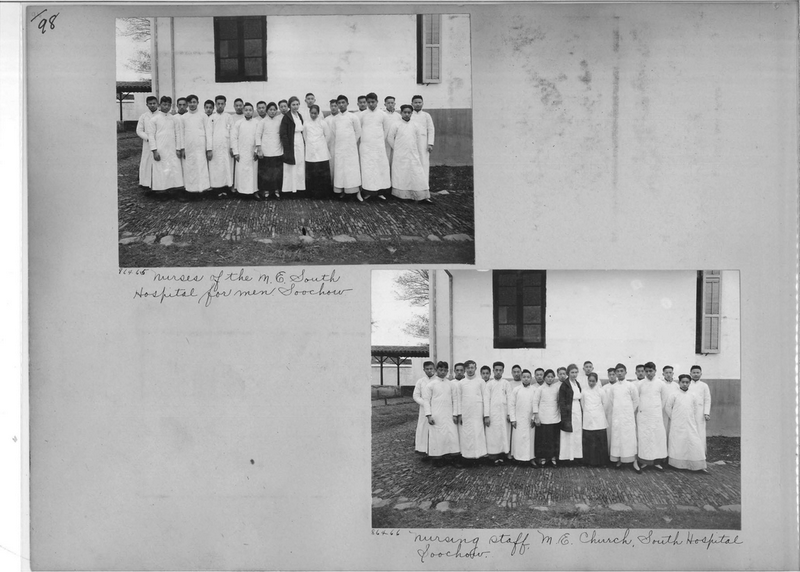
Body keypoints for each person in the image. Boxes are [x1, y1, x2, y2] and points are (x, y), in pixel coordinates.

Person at [386, 105, 431, 203]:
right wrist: (397, 149)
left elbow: (419, 139)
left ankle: (420, 195)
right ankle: (401, 195)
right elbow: (390, 138)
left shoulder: (415, 125)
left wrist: (417, 151)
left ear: (411, 113)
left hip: (413, 153)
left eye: (409, 112)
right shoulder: (396, 124)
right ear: (401, 113)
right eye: (404, 112)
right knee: (401, 173)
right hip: (400, 154)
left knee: (416, 172)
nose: (407, 114)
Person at [665, 374, 708, 472]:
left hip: (690, 422)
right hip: (677, 424)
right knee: (678, 442)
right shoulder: (674, 395)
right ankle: (677, 464)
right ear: (679, 382)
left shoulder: (693, 395)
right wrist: (674, 418)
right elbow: (668, 407)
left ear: (689, 383)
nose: (684, 384)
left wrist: (691, 418)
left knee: (693, 441)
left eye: (687, 382)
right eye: (682, 382)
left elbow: (696, 408)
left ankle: (697, 464)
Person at [422, 361, 461, 467]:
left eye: (445, 370)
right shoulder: (431, 385)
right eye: (440, 370)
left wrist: (455, 414)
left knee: (451, 436)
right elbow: (426, 401)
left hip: (449, 415)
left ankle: (453, 459)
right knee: (437, 436)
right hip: (436, 415)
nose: (443, 372)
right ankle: (438, 459)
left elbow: (455, 400)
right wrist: (429, 415)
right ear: (436, 370)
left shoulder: (451, 385)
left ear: (448, 371)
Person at [146, 96, 184, 197]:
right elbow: (151, 136)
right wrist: (154, 151)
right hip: (160, 149)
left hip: (172, 149)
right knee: (161, 169)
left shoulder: (174, 119)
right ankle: (162, 192)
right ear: (160, 105)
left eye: (168, 105)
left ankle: (175, 191)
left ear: (171, 106)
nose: (166, 107)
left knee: (174, 169)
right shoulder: (154, 119)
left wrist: (178, 148)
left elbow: (178, 134)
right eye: (164, 104)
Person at [608, 363, 641, 472]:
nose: (620, 373)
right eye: (618, 371)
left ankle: (634, 461)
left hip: (628, 417)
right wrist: (619, 412)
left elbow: (636, 400)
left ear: (626, 372)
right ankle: (620, 459)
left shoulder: (631, 386)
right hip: (617, 417)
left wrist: (629, 412)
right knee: (618, 438)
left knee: (629, 438)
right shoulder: (613, 387)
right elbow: (612, 401)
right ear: (615, 373)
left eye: (622, 371)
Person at [179, 94, 212, 199]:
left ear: (198, 103)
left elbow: (208, 133)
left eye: (194, 102)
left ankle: (202, 191)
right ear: (187, 104)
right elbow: (181, 134)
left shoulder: (203, 116)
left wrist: (209, 148)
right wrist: (182, 148)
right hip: (189, 148)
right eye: (190, 102)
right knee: (190, 169)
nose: (192, 104)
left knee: (201, 168)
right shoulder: (183, 117)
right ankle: (190, 192)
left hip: (200, 147)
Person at [636, 362, 668, 471]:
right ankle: (645, 461)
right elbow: (637, 398)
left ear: (655, 371)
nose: (649, 373)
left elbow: (664, 399)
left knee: (657, 437)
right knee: (645, 438)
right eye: (647, 371)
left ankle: (657, 462)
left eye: (651, 371)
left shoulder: (661, 384)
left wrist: (656, 410)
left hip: (656, 416)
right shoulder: (640, 384)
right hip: (644, 416)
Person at [359, 92, 391, 200]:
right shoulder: (362, 115)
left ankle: (380, 191)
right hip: (366, 147)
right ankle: (368, 191)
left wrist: (379, 140)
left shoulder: (383, 115)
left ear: (377, 102)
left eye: (373, 102)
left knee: (380, 167)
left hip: (378, 147)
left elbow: (386, 129)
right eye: (369, 102)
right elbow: (359, 129)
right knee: (368, 168)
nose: (371, 104)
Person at [330, 95, 362, 200]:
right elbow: (334, 132)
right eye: (339, 103)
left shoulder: (353, 117)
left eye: (343, 102)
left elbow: (358, 131)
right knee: (340, 168)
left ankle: (354, 191)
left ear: (347, 104)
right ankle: (342, 190)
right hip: (340, 147)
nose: (341, 105)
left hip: (350, 148)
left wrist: (352, 142)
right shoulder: (335, 119)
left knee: (351, 169)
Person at [457, 361, 488, 465]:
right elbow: (459, 399)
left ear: (475, 368)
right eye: (468, 368)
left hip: (477, 413)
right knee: (466, 435)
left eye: (472, 367)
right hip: (466, 413)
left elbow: (485, 398)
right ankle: (467, 458)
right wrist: (459, 414)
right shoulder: (461, 383)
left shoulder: (481, 382)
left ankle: (478, 457)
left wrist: (486, 414)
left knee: (477, 433)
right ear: (465, 369)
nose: (470, 370)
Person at [509, 369, 539, 465]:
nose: (526, 379)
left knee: (530, 438)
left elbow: (536, 404)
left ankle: (531, 458)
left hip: (530, 419)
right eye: (524, 377)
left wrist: (534, 418)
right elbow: (512, 405)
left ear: (531, 378)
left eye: (528, 377)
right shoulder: (516, 390)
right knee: (519, 438)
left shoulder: (534, 390)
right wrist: (513, 419)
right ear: (521, 378)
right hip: (519, 419)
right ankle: (518, 458)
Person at [255, 102, 284, 200]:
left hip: (277, 150)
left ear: (276, 111)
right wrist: (259, 148)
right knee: (266, 173)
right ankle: (266, 192)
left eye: (274, 110)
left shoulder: (279, 121)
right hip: (266, 151)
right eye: (270, 110)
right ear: (267, 111)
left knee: (276, 173)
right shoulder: (262, 122)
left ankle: (276, 191)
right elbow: (258, 135)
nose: (272, 111)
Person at [231, 102, 260, 199]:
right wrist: (236, 152)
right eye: (246, 110)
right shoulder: (239, 123)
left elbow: (259, 137)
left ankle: (254, 191)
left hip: (252, 151)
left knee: (253, 171)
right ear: (243, 111)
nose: (248, 112)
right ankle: (241, 191)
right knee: (242, 171)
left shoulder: (256, 123)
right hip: (241, 152)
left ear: (253, 111)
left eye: (250, 110)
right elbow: (234, 138)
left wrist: (256, 150)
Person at [304, 104, 332, 199]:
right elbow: (305, 136)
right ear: (309, 113)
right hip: (310, 151)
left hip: (321, 151)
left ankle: (324, 194)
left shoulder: (323, 123)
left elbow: (327, 135)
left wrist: (321, 145)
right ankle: (311, 194)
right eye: (311, 113)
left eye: (315, 113)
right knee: (312, 172)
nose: (313, 115)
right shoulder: (306, 123)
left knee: (322, 172)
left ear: (318, 113)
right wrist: (311, 144)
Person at [533, 369, 561, 467]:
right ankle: (543, 459)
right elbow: (535, 402)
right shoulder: (540, 389)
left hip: (554, 418)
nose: (550, 379)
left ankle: (553, 458)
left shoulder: (556, 388)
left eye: (552, 377)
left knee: (553, 439)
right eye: (548, 377)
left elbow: (558, 402)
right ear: (545, 378)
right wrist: (536, 416)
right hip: (543, 418)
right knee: (543, 439)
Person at [580, 372, 609, 466]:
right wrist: (588, 413)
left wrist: (599, 413)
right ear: (587, 380)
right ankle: (589, 462)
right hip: (588, 418)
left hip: (599, 419)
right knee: (589, 441)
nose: (591, 383)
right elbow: (582, 404)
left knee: (600, 441)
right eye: (590, 381)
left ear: (596, 381)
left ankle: (602, 462)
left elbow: (605, 404)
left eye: (593, 381)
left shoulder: (601, 391)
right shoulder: (584, 391)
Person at [279, 96, 306, 197]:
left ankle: (299, 189)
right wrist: (287, 146)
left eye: (297, 104)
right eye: (293, 104)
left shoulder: (299, 115)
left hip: (300, 141)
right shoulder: (287, 117)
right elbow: (283, 133)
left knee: (299, 164)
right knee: (291, 166)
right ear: (289, 105)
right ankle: (290, 189)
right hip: (291, 142)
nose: (295, 106)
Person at [484, 361, 509, 465]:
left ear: (503, 371)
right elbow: (486, 400)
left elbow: (510, 399)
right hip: (492, 413)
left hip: (503, 413)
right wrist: (486, 415)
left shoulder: (506, 383)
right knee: (493, 435)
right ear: (493, 371)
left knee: (503, 434)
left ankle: (502, 456)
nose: (498, 372)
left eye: (500, 370)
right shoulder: (489, 384)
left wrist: (509, 414)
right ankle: (493, 457)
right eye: (496, 370)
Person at [209, 95, 234, 198]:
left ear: (225, 104)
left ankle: (226, 189)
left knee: (226, 167)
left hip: (226, 146)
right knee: (216, 168)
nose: (220, 106)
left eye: (222, 104)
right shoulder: (211, 118)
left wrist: (232, 147)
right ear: (215, 104)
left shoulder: (228, 117)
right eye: (218, 104)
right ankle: (217, 190)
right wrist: (209, 149)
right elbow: (209, 134)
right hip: (215, 148)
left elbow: (232, 132)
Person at [558, 364, 583, 464]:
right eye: (572, 372)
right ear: (568, 373)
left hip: (577, 409)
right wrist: (564, 415)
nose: (574, 374)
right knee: (568, 434)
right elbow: (562, 401)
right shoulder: (565, 385)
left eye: (576, 372)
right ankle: (566, 457)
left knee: (577, 433)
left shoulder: (577, 383)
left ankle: (576, 456)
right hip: (569, 410)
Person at [412, 361, 436, 460]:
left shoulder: (438, 380)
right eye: (427, 369)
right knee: (424, 429)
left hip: (436, 409)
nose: (429, 371)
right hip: (424, 410)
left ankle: (436, 452)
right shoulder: (420, 381)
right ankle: (424, 451)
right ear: (424, 370)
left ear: (434, 369)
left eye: (431, 368)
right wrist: (425, 403)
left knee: (435, 429)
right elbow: (416, 396)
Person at [410, 95, 435, 188]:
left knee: (423, 162)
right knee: (413, 162)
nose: (417, 104)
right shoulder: (409, 114)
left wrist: (430, 143)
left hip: (423, 143)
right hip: (412, 142)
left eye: (419, 102)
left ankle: (424, 186)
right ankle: (412, 186)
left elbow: (431, 129)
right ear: (411, 103)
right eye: (415, 102)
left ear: (422, 103)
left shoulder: (426, 115)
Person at [136, 96, 159, 189]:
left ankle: (159, 185)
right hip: (147, 144)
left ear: (157, 103)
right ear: (147, 105)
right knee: (147, 162)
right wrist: (149, 138)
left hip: (159, 143)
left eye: (154, 103)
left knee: (158, 162)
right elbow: (139, 130)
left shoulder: (161, 115)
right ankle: (147, 184)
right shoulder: (144, 116)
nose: (152, 105)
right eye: (150, 104)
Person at [688, 365, 712, 454]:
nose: (695, 374)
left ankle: (700, 453)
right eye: (694, 373)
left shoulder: (704, 385)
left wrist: (706, 413)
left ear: (701, 374)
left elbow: (707, 399)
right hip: (689, 411)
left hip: (700, 412)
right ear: (690, 373)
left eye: (697, 373)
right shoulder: (687, 384)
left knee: (700, 432)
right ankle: (690, 453)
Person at [505, 364, 523, 455]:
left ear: (521, 372)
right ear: (511, 373)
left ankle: (518, 453)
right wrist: (509, 413)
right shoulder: (509, 384)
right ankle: (510, 453)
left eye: (518, 372)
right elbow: (509, 400)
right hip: (512, 412)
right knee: (510, 434)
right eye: (514, 372)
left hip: (521, 412)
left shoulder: (524, 382)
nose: (516, 374)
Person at [324, 99, 339, 183]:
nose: (333, 108)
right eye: (332, 106)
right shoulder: (326, 120)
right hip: (330, 145)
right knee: (331, 165)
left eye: (335, 106)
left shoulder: (341, 118)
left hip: (338, 144)